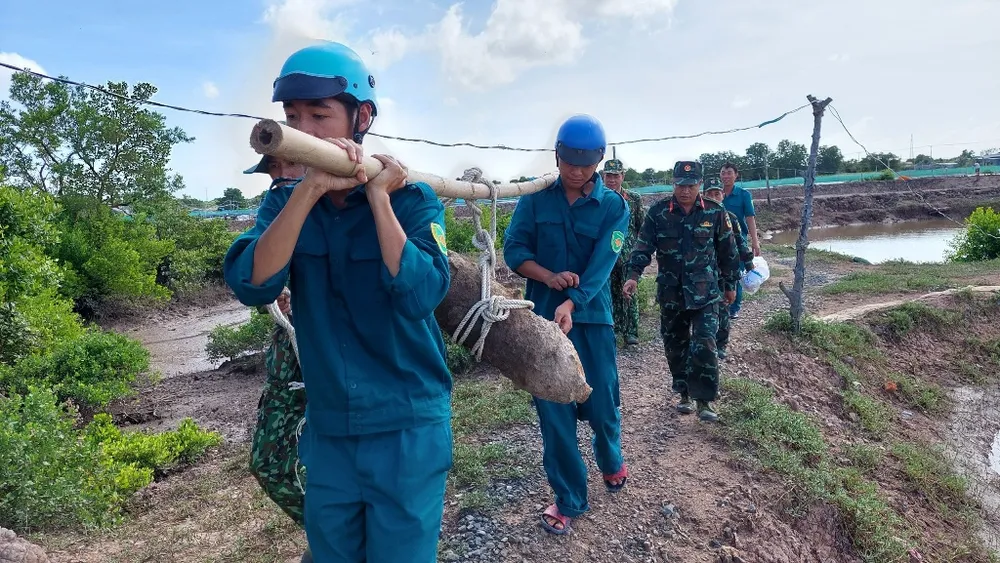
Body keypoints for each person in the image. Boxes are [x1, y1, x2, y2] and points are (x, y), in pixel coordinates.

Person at [223, 41, 453, 563]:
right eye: (292, 116)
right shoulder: (282, 202)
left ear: (362, 116)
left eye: (319, 115)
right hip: (330, 429)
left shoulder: (413, 199)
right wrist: (307, 192)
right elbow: (253, 284)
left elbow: (421, 294)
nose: (302, 130)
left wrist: (377, 198)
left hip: (406, 425)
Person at [503, 114, 630, 535]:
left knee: (601, 405)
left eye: (586, 163)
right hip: (543, 323)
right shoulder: (535, 199)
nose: (576, 171)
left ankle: (611, 460)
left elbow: (601, 265)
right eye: (569, 162)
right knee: (553, 412)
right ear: (557, 156)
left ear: (598, 161)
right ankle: (570, 498)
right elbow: (514, 251)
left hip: (592, 321)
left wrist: (574, 300)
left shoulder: (614, 206)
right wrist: (548, 278)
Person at [623, 161, 740, 423]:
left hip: (706, 293)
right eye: (679, 185)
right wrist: (633, 276)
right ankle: (684, 393)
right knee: (676, 345)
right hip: (671, 292)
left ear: (699, 184)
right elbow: (643, 247)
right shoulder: (658, 212)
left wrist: (730, 285)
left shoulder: (714, 212)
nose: (685, 190)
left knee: (705, 343)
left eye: (690, 185)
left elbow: (727, 252)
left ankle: (705, 400)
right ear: (673, 184)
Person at [242, 155, 312, 561]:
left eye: (290, 165)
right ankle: (328, 532)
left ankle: (332, 534)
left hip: (318, 376)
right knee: (268, 466)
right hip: (287, 373)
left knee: (284, 466)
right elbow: (253, 278)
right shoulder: (275, 215)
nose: (279, 176)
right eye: (273, 171)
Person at [703, 178, 754, 361]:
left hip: (724, 272)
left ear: (723, 195)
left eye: (717, 193)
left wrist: (748, 264)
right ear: (704, 195)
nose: (714, 197)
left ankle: (721, 344)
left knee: (724, 309)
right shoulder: (699, 216)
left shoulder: (730, 218)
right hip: (704, 273)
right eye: (710, 194)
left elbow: (740, 242)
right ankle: (703, 345)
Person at [603, 158, 643, 347]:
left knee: (629, 292)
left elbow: (640, 227)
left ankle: (631, 333)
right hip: (605, 255)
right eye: (608, 176)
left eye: (615, 176)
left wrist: (640, 253)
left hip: (628, 255)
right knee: (609, 293)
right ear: (603, 176)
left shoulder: (633, 199)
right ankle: (613, 329)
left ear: (622, 176)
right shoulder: (598, 198)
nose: (612, 180)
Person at [719, 162, 759, 320]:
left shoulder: (744, 195)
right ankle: (720, 304)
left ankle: (734, 307)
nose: (726, 176)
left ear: (736, 175)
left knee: (736, 274)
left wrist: (755, 241)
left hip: (738, 242)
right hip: (717, 242)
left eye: (729, 173)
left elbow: (750, 218)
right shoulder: (714, 193)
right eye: (723, 173)